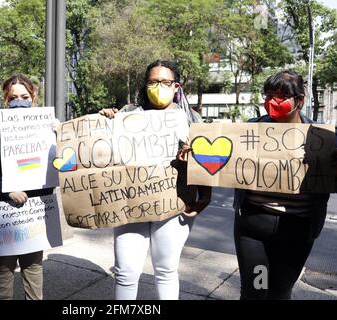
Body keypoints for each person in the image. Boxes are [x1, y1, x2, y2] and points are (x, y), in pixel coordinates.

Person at [100, 60, 211, 300]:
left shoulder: (193, 120)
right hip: (131, 202)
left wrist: (204, 197)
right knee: (126, 271)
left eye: (165, 82)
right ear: (145, 84)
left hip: (174, 203)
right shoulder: (127, 115)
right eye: (153, 82)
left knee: (166, 270)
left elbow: (208, 164)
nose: (158, 86)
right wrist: (102, 123)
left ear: (176, 86)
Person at [227, 70, 336, 299]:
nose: (274, 100)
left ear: (300, 100)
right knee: (255, 290)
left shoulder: (323, 137)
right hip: (253, 227)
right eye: (269, 94)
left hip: (297, 230)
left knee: (279, 292)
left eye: (282, 95)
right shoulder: (250, 130)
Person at [0, 74, 52, 300]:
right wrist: (7, 190)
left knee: (33, 268)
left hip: (33, 209)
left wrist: (59, 135)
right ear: (6, 99)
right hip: (3, 208)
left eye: (24, 96)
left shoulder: (46, 127)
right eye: (13, 97)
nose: (19, 101)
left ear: (33, 98)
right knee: (3, 269)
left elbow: (52, 167)